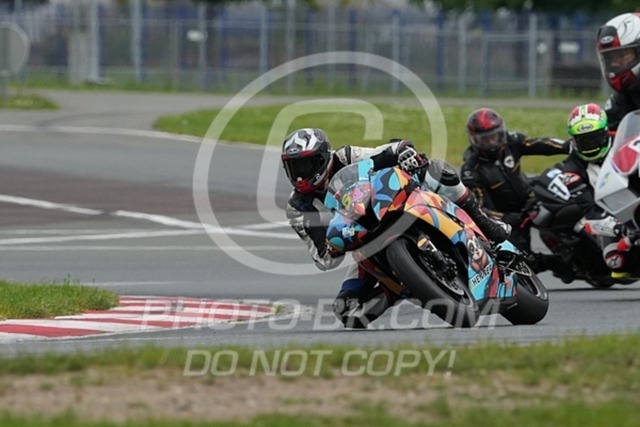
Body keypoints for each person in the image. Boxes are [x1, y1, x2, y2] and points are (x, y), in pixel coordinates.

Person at [281, 128, 510, 329]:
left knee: (436, 170)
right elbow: (322, 257)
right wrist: (331, 250)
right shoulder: (297, 207)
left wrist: (404, 152)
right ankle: (399, 286)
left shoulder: (345, 156)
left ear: (322, 158)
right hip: (362, 240)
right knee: (347, 310)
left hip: (389, 202)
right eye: (293, 168)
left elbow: (386, 151)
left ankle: (484, 222)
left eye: (304, 165)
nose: (300, 175)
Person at [460, 107, 570, 273]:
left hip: (530, 196)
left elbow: (539, 144)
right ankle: (562, 265)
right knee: (522, 262)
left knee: (563, 193)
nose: (491, 143)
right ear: (474, 140)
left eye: (494, 136)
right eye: (485, 140)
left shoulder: (511, 142)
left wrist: (568, 146)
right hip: (509, 218)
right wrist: (507, 218)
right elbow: (479, 208)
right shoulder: (471, 171)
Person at [560, 103, 630, 279]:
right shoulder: (571, 171)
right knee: (616, 263)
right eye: (583, 141)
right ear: (573, 141)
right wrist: (615, 226)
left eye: (594, 139)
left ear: (605, 132)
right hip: (610, 214)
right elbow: (590, 209)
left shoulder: (624, 140)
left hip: (633, 198)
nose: (590, 146)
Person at [597, 13, 640, 131]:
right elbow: (610, 131)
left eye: (622, 55)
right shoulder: (621, 100)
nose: (614, 63)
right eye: (610, 57)